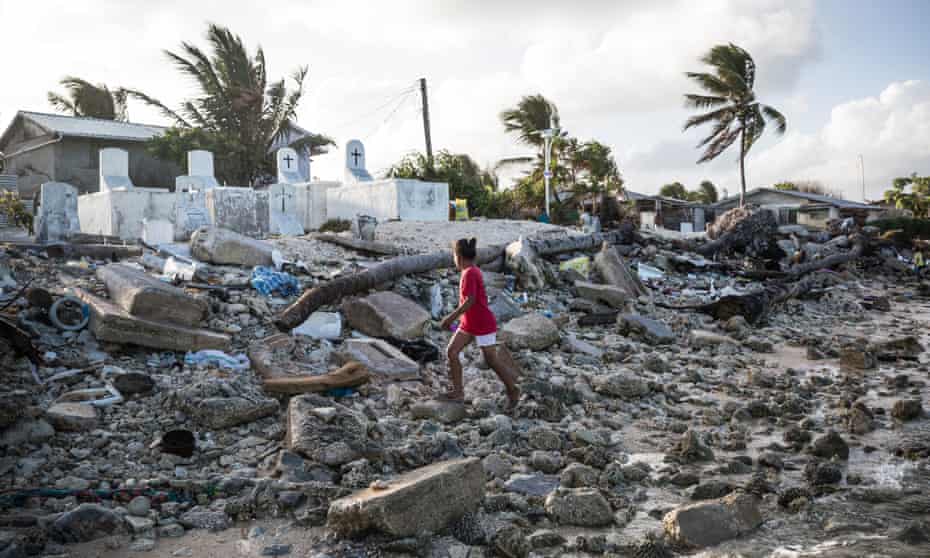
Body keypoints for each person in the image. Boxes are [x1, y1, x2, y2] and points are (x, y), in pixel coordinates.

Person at [440, 238, 520, 410]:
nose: (454, 259)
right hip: (469, 323)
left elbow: (470, 300)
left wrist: (450, 318)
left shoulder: (470, 273)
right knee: (452, 352)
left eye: (454, 256)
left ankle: (513, 390)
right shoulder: (470, 271)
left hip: (482, 322)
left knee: (491, 360)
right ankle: (458, 392)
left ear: (458, 256)